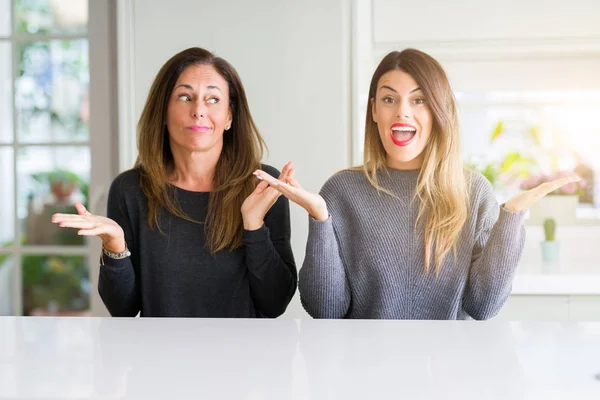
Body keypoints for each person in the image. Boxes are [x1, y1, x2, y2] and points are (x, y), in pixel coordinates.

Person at [254, 48, 580, 320]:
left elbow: (483, 307)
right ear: (374, 111)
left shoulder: (473, 191)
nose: (402, 113)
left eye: (419, 100)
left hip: (448, 380)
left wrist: (511, 216)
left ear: (439, 111)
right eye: (389, 99)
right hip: (360, 374)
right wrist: (321, 219)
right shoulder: (341, 192)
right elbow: (324, 309)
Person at [52, 47, 297, 318]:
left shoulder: (262, 185)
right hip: (157, 358)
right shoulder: (130, 190)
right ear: (164, 111)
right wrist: (115, 246)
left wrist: (254, 225)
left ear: (229, 116)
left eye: (213, 99)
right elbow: (123, 309)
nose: (199, 111)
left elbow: (274, 304)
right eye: (185, 96)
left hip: (244, 358)